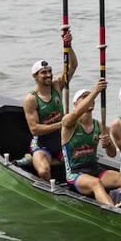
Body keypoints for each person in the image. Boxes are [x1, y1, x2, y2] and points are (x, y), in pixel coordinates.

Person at [60, 81, 121, 205]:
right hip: (75, 173)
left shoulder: (99, 125)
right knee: (96, 183)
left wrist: (108, 143)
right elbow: (76, 113)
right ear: (75, 104)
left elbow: (111, 154)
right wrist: (95, 91)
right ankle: (113, 213)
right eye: (84, 97)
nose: (90, 99)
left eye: (90, 97)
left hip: (94, 169)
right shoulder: (69, 123)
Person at [22, 41, 78, 179]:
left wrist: (68, 45)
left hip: (61, 139)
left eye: (49, 71)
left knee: (80, 161)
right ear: (35, 76)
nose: (48, 75)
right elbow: (34, 129)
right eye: (43, 73)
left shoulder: (57, 85)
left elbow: (73, 66)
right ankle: (37, 162)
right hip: (42, 143)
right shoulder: (31, 99)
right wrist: (60, 124)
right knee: (43, 172)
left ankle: (32, 160)